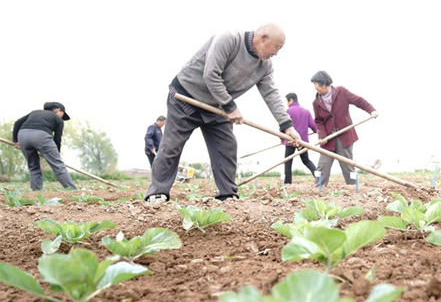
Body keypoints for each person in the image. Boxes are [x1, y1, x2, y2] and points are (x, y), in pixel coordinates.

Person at [144, 23, 302, 202]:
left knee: (226, 148)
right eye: (277, 47)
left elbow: (270, 93)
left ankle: (227, 195)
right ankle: (157, 193)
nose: (276, 53)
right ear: (263, 38)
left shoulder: (265, 66)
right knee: (171, 146)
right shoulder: (229, 40)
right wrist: (230, 107)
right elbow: (211, 74)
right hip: (186, 97)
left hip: (216, 107)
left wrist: (287, 126)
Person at [310, 71, 378, 187]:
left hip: (344, 136)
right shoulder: (316, 102)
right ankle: (318, 189)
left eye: (316, 84)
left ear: (323, 83)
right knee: (322, 165)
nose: (315, 87)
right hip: (328, 139)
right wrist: (322, 136)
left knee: (348, 165)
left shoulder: (341, 92)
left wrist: (371, 110)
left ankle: (353, 189)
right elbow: (319, 121)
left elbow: (358, 101)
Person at [11, 102, 77, 190]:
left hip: (22, 135)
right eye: (63, 114)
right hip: (41, 136)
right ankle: (72, 190)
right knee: (58, 165)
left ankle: (36, 191)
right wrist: (56, 156)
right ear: (58, 111)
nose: (62, 117)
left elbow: (17, 123)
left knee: (33, 166)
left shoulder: (35, 112)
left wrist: (15, 140)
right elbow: (57, 139)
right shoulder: (58, 119)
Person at [282, 93, 317, 184]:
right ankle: (317, 175)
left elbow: (283, 126)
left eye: (287, 101)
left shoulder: (288, 111)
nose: (286, 103)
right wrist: (318, 132)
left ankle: (287, 183)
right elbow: (314, 126)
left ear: (291, 100)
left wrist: (281, 138)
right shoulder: (306, 111)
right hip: (303, 142)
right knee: (306, 160)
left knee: (288, 162)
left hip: (290, 140)